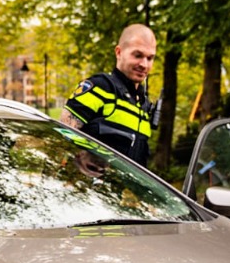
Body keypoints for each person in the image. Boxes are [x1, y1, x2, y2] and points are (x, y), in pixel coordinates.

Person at [62, 24, 158, 166]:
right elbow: (60, 140)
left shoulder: (144, 105)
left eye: (150, 58)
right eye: (137, 55)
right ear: (119, 52)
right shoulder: (100, 87)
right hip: (83, 186)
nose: (144, 64)